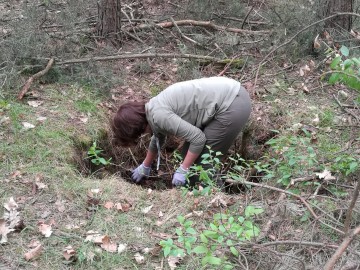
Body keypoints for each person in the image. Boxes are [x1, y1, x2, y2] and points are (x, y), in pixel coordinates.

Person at [111, 76, 251, 187]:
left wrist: (183, 169)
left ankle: (217, 203)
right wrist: (145, 165)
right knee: (187, 155)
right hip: (228, 93)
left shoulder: (159, 116)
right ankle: (192, 191)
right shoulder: (152, 109)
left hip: (232, 103)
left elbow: (198, 139)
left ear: (135, 128)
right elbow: (158, 139)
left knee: (204, 161)